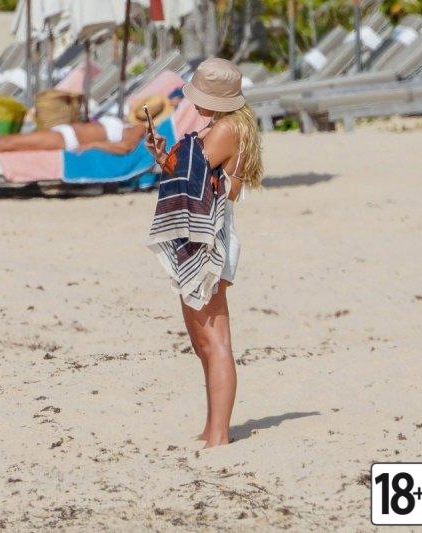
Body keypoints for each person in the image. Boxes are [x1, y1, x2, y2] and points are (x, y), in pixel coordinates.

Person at [146, 58, 263, 448]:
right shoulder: (222, 127)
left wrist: (170, 158)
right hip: (201, 232)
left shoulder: (226, 130)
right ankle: (213, 425)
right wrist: (162, 157)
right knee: (202, 342)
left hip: (209, 237)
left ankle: (219, 433)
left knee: (215, 341)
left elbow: (190, 174)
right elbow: (186, 172)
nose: (193, 102)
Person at [0, 114, 147, 163]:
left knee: (8, 144)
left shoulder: (140, 128)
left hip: (68, 140)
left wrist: (93, 144)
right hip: (64, 133)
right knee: (7, 142)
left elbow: (125, 148)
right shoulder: (127, 121)